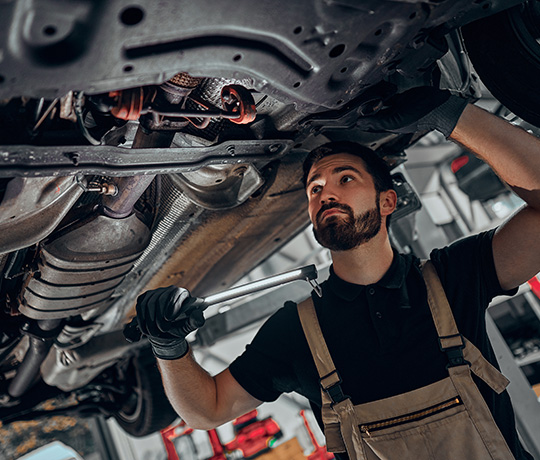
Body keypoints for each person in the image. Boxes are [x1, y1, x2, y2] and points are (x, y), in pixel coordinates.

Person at [134, 87, 540, 459]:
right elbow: (209, 409)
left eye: (346, 178)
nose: (326, 192)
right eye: (315, 188)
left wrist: (450, 114)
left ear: (388, 201)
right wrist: (169, 349)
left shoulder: (454, 278)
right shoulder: (295, 332)